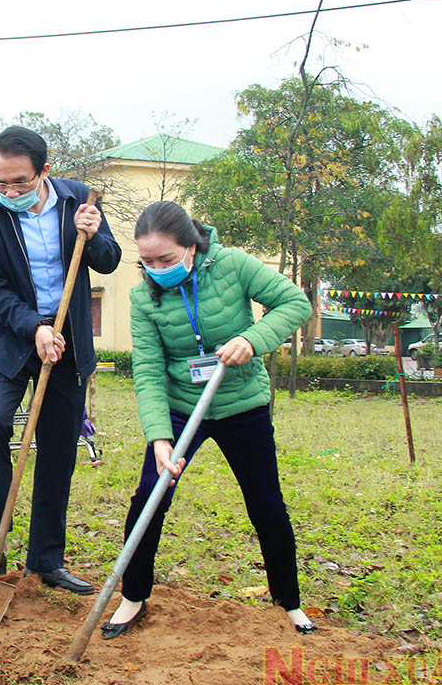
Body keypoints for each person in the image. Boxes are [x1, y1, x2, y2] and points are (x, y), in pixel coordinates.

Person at [101, 200, 316, 639]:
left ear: (192, 248)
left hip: (241, 402)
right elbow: (147, 368)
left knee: (266, 504)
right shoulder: (144, 296)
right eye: (147, 261)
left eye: (166, 258)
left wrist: (252, 340)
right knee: (149, 495)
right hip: (182, 408)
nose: (156, 268)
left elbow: (295, 303)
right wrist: (160, 437)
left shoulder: (233, 265)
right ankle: (133, 596)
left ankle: (288, 602)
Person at [0, 125, 121, 594]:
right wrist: (34, 327)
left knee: (56, 447)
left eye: (20, 183)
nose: (8, 191)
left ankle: (46, 560)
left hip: (67, 338)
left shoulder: (78, 200)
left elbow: (109, 261)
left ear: (44, 171)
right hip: (12, 335)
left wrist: (93, 236)